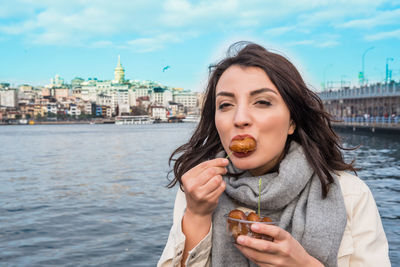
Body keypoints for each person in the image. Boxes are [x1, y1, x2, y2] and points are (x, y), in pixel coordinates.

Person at [158, 42, 390, 267]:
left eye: (262, 102)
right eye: (226, 105)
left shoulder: (350, 195)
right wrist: (197, 216)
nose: (239, 119)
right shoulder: (200, 192)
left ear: (292, 121)